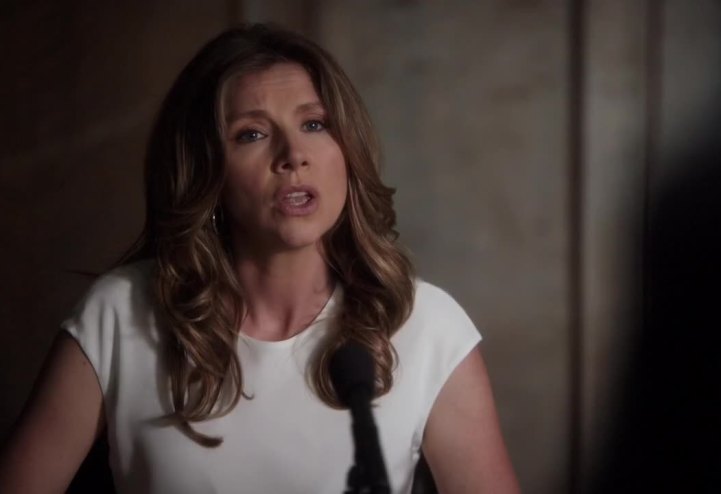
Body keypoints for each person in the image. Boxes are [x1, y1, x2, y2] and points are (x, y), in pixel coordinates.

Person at [0, 24, 519, 493]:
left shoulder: (427, 328)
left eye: (314, 124)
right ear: (207, 172)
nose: (293, 155)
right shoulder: (119, 315)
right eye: (252, 134)